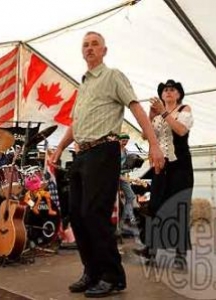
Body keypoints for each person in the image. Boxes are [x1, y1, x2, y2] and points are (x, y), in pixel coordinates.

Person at [50, 31, 165, 298]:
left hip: (104, 151)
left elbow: (135, 107)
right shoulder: (84, 86)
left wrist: (154, 144)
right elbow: (76, 124)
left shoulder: (113, 76)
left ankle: (113, 276)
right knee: (77, 216)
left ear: (104, 50)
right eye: (85, 45)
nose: (89, 48)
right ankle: (92, 272)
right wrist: (58, 148)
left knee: (94, 213)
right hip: (81, 154)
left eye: (94, 44)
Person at [134, 79, 194, 271]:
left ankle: (180, 255)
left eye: (172, 90)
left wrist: (163, 112)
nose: (168, 92)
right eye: (165, 90)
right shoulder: (158, 115)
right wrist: (151, 116)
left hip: (181, 167)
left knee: (179, 208)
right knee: (155, 206)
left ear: (178, 94)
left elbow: (181, 130)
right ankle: (151, 250)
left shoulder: (184, 109)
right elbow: (145, 136)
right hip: (161, 166)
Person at [118, 133, 137, 227]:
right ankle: (126, 219)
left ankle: (128, 218)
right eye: (123, 140)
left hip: (122, 175)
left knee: (130, 196)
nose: (125, 142)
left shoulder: (125, 151)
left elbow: (125, 165)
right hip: (116, 177)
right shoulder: (115, 151)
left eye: (126, 141)